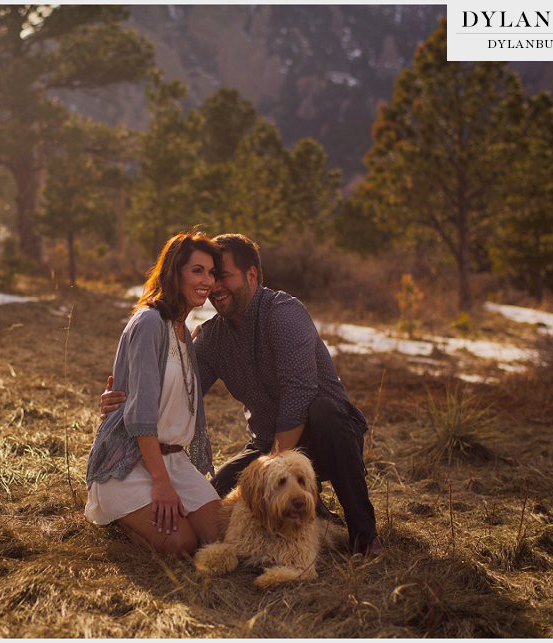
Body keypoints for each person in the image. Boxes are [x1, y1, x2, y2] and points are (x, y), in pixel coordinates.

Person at [103, 234, 382, 556]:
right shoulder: (211, 337)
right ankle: (309, 510)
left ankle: (364, 533)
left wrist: (274, 468)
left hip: (328, 438)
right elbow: (179, 389)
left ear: (251, 275)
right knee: (220, 502)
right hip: (266, 444)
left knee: (324, 412)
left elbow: (298, 394)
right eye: (208, 275)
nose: (214, 285)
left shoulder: (283, 314)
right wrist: (118, 396)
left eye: (222, 276)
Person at [84, 230, 224, 558]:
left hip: (173, 459)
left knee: (219, 536)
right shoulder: (149, 322)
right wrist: (161, 484)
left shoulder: (182, 332)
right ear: (174, 272)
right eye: (197, 270)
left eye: (212, 272)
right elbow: (142, 413)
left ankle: (162, 510)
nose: (208, 280)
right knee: (183, 545)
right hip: (131, 462)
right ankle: (118, 518)